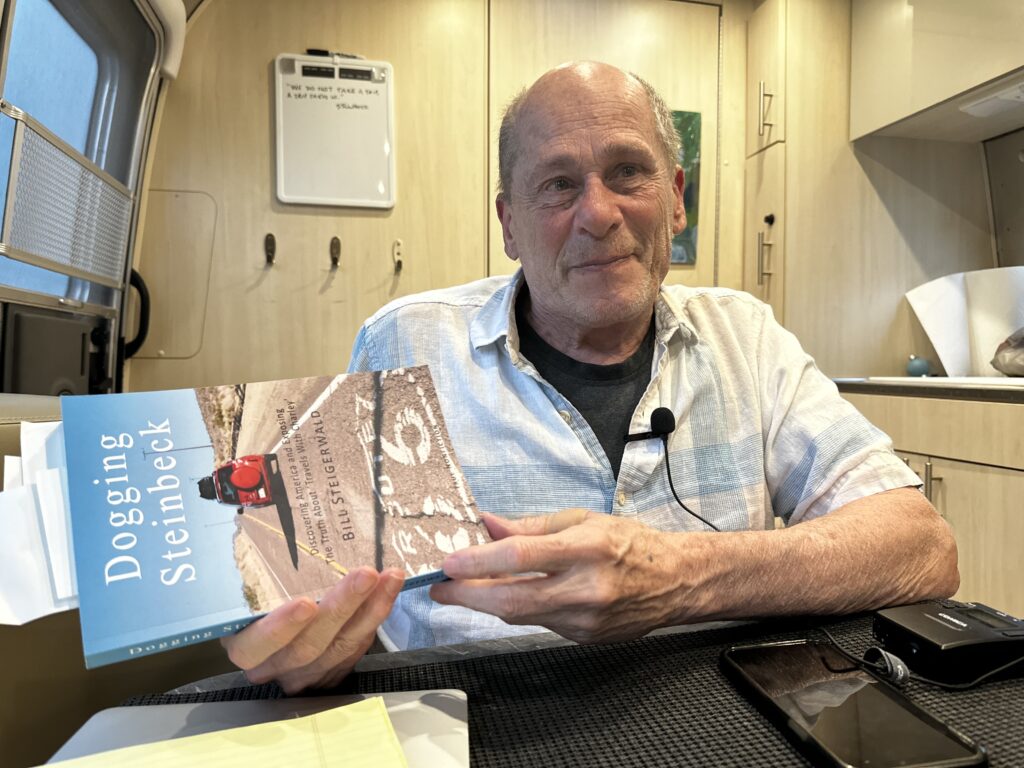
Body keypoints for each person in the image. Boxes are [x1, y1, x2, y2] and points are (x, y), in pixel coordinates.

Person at [222, 61, 958, 694]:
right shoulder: (406, 341)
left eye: (628, 173)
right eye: (558, 185)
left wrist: (684, 575)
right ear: (509, 224)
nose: (599, 214)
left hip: (724, 713)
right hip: (476, 718)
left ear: (675, 197)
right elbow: (298, 576)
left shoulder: (747, 336)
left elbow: (922, 547)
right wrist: (298, 638)